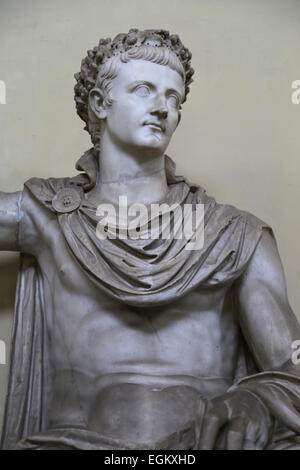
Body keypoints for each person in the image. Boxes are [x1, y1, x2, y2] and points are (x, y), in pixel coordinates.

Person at [1, 28, 300, 450]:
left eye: (174, 98)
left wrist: (255, 399)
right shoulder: (49, 215)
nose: (162, 108)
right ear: (100, 104)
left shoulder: (235, 234)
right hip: (74, 443)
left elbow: (293, 365)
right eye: (144, 89)